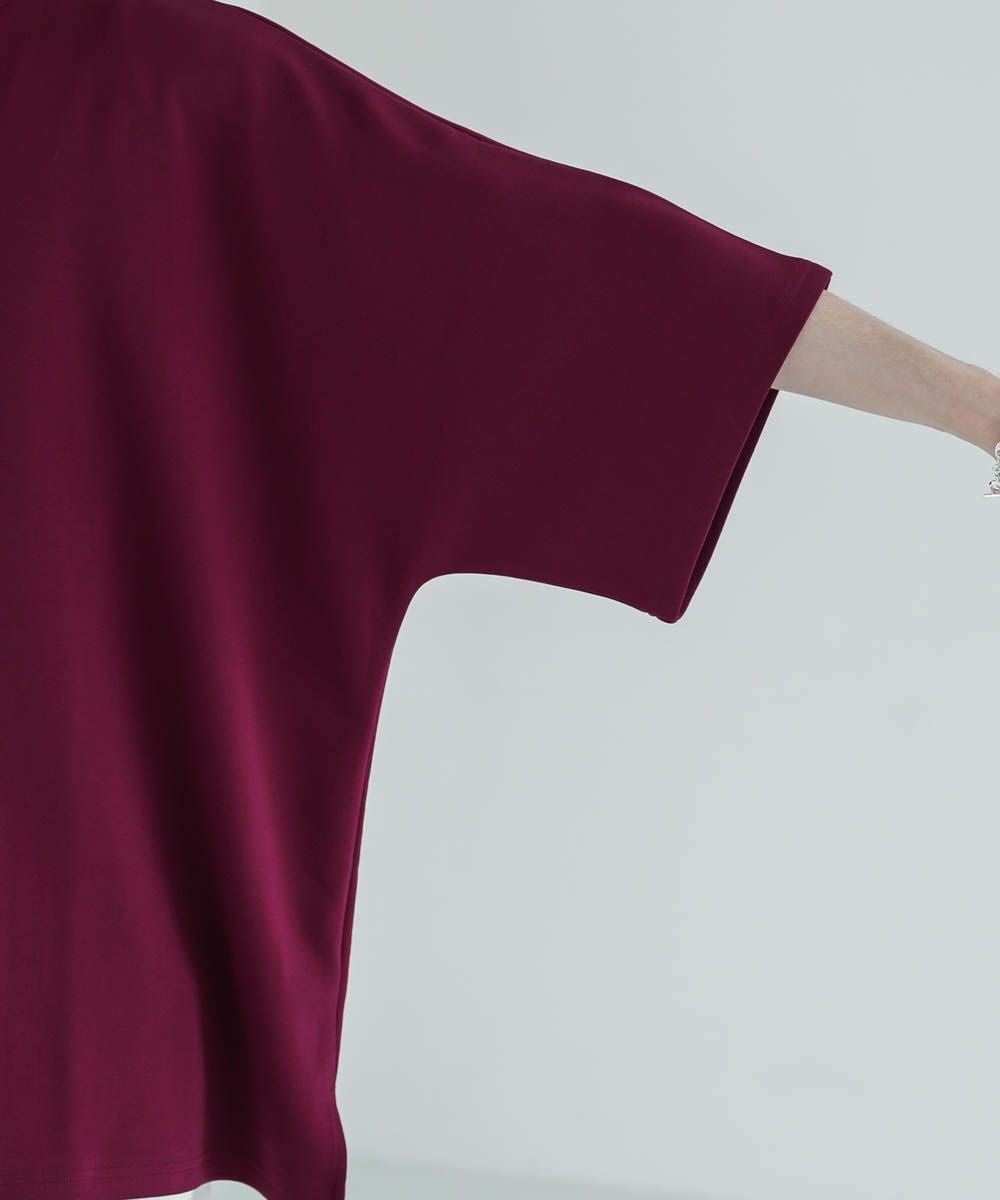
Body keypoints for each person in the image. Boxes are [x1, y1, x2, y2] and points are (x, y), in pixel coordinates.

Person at [0, 2, 996, 1200]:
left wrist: (972, 402)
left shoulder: (176, 90)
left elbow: (611, 279)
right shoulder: (174, 82)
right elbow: (612, 279)